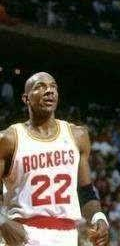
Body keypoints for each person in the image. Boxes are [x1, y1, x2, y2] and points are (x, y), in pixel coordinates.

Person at [0, 72, 109, 246]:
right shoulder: (9, 139)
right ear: (26, 98)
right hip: (22, 234)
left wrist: (98, 217)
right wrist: (3, 221)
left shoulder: (78, 135)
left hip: (66, 236)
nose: (49, 91)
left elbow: (86, 191)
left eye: (53, 87)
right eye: (40, 87)